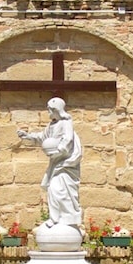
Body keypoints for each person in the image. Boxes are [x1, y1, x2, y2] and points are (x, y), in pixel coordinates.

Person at [18, 97, 83, 229]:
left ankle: (69, 218)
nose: (48, 111)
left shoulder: (66, 123)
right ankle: (55, 218)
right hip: (56, 162)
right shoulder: (51, 126)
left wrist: (59, 150)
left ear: (56, 109)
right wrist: (28, 136)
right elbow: (42, 137)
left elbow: (68, 139)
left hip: (66, 163)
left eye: (50, 109)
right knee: (53, 190)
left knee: (64, 190)